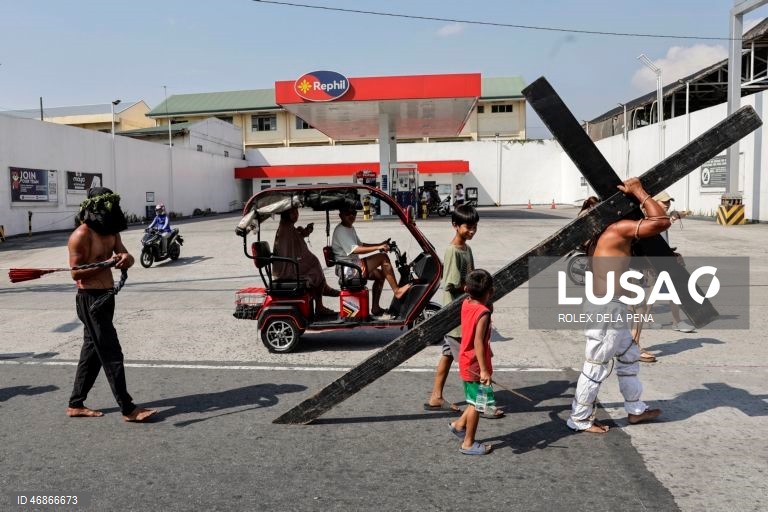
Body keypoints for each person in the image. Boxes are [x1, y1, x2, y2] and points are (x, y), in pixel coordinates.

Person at [567, 177, 668, 433]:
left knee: (628, 356)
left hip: (612, 306)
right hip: (607, 309)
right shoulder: (617, 229)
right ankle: (579, 418)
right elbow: (661, 221)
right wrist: (639, 192)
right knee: (597, 363)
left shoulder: (601, 232)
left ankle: (635, 410)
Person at [67, 187, 156, 422]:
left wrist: (126, 259)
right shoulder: (81, 235)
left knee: (92, 351)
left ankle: (75, 404)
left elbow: (127, 257)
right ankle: (128, 408)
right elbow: (76, 274)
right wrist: (107, 264)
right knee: (111, 351)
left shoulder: (112, 233)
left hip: (107, 297)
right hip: (90, 300)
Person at [424, 205, 503, 417]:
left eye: (475, 227)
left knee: (448, 354)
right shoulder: (453, 251)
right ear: (455, 226)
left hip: (464, 311)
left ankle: (436, 396)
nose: (472, 231)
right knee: (474, 362)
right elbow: (450, 284)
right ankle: (482, 404)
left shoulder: (467, 249)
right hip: (458, 316)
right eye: (468, 227)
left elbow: (472, 278)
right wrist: (475, 290)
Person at [631, 191, 695, 363]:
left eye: (669, 202)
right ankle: (630, 346)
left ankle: (674, 321)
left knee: (648, 301)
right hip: (646, 264)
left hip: (655, 262)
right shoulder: (647, 222)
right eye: (663, 202)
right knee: (638, 305)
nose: (667, 205)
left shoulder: (661, 220)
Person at [331, 204, 411, 317]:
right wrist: (378, 248)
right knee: (383, 258)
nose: (351, 215)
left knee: (380, 275)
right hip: (348, 269)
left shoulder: (349, 228)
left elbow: (361, 244)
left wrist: (380, 244)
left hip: (352, 266)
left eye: (353, 213)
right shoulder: (341, 231)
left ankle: (375, 307)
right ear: (340, 215)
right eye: (347, 213)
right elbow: (356, 249)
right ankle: (397, 291)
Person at [448, 269, 496, 455]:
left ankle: (459, 425)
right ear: (490, 292)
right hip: (476, 365)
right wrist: (484, 370)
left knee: (476, 400)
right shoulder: (483, 312)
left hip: (468, 360)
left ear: (466, 288)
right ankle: (468, 443)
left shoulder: (466, 303)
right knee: (478, 404)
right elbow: (478, 340)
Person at [273, 207, 338, 316]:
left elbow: (297, 239)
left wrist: (305, 232)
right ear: (285, 214)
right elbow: (292, 249)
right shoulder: (286, 228)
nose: (296, 215)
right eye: (292, 213)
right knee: (314, 268)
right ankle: (320, 305)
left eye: (297, 212)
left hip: (289, 264)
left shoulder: (288, 226)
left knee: (314, 263)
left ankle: (324, 289)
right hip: (288, 269)